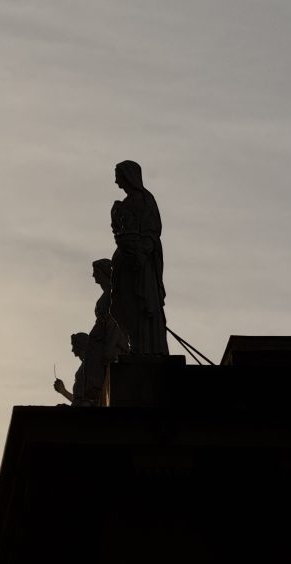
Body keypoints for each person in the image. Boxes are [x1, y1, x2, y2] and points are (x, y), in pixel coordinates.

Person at [109, 160, 169, 354]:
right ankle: (135, 345)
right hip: (127, 262)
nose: (116, 181)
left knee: (142, 306)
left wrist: (142, 251)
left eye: (118, 176)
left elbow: (152, 230)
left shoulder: (145, 199)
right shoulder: (123, 204)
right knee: (124, 304)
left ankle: (147, 348)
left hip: (142, 264)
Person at [84, 259, 128, 405]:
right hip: (100, 341)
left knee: (108, 380)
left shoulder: (112, 294)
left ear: (102, 273)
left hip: (109, 341)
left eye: (95, 272)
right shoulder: (107, 294)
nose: (93, 276)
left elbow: (115, 323)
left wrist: (109, 348)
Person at [53, 333, 89, 405]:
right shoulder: (85, 368)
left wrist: (63, 391)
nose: (72, 350)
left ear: (81, 346)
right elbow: (79, 402)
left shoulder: (90, 366)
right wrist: (63, 391)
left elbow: (85, 402)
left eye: (74, 346)